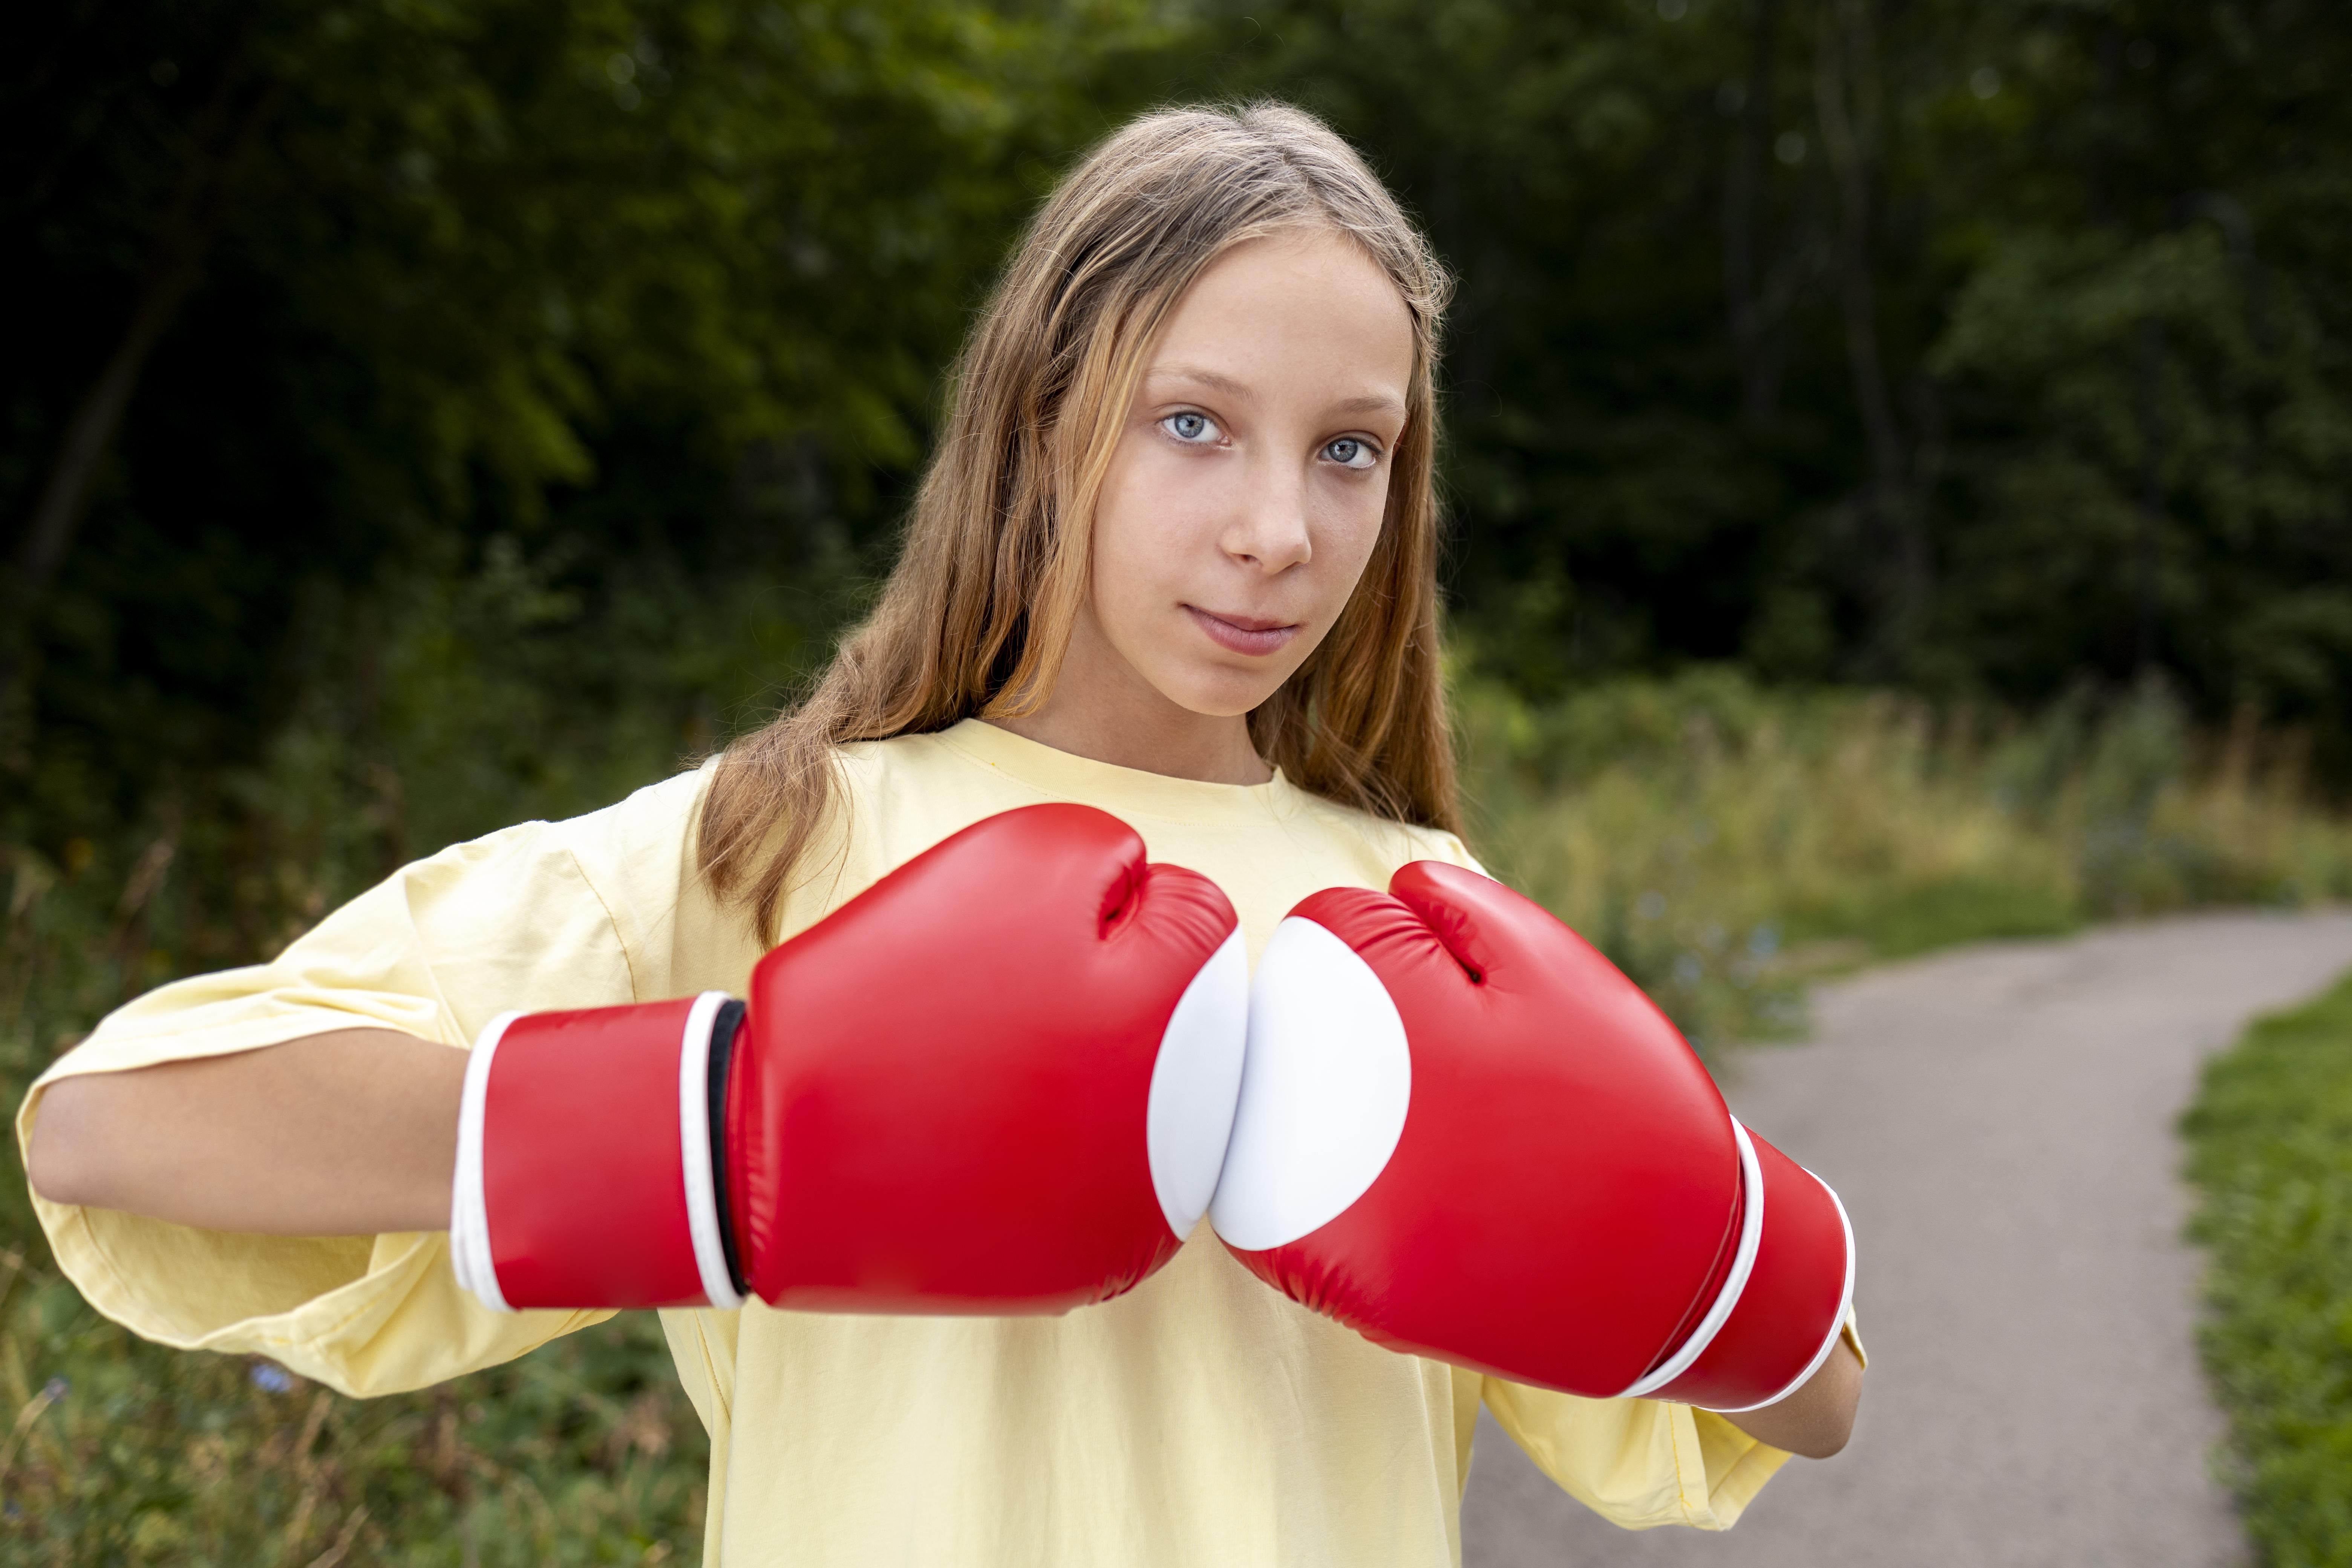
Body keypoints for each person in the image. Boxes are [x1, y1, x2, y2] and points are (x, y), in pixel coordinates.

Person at [20, 102, 1863, 1566]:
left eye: (1351, 449)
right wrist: (727, 1129)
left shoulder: (1421, 920)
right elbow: (117, 1126)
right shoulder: (777, 846)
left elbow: (1823, 1394)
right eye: (1196, 422)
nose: (1279, 529)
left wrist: (1691, 1240)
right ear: (1047, 417)